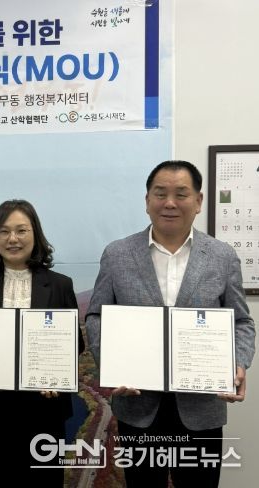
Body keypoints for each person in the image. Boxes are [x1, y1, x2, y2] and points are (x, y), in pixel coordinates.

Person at [85, 160, 256, 487]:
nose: (170, 203)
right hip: (138, 405)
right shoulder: (117, 254)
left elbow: (241, 322)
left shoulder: (222, 256)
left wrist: (238, 362)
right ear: (147, 200)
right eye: (160, 193)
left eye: (181, 194)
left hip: (201, 408)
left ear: (198, 201)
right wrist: (112, 364)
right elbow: (96, 316)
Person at [0, 199, 85, 487]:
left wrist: (58, 377)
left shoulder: (60, 284)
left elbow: (75, 345)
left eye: (21, 230)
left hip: (45, 407)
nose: (13, 239)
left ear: (35, 235)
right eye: (4, 231)